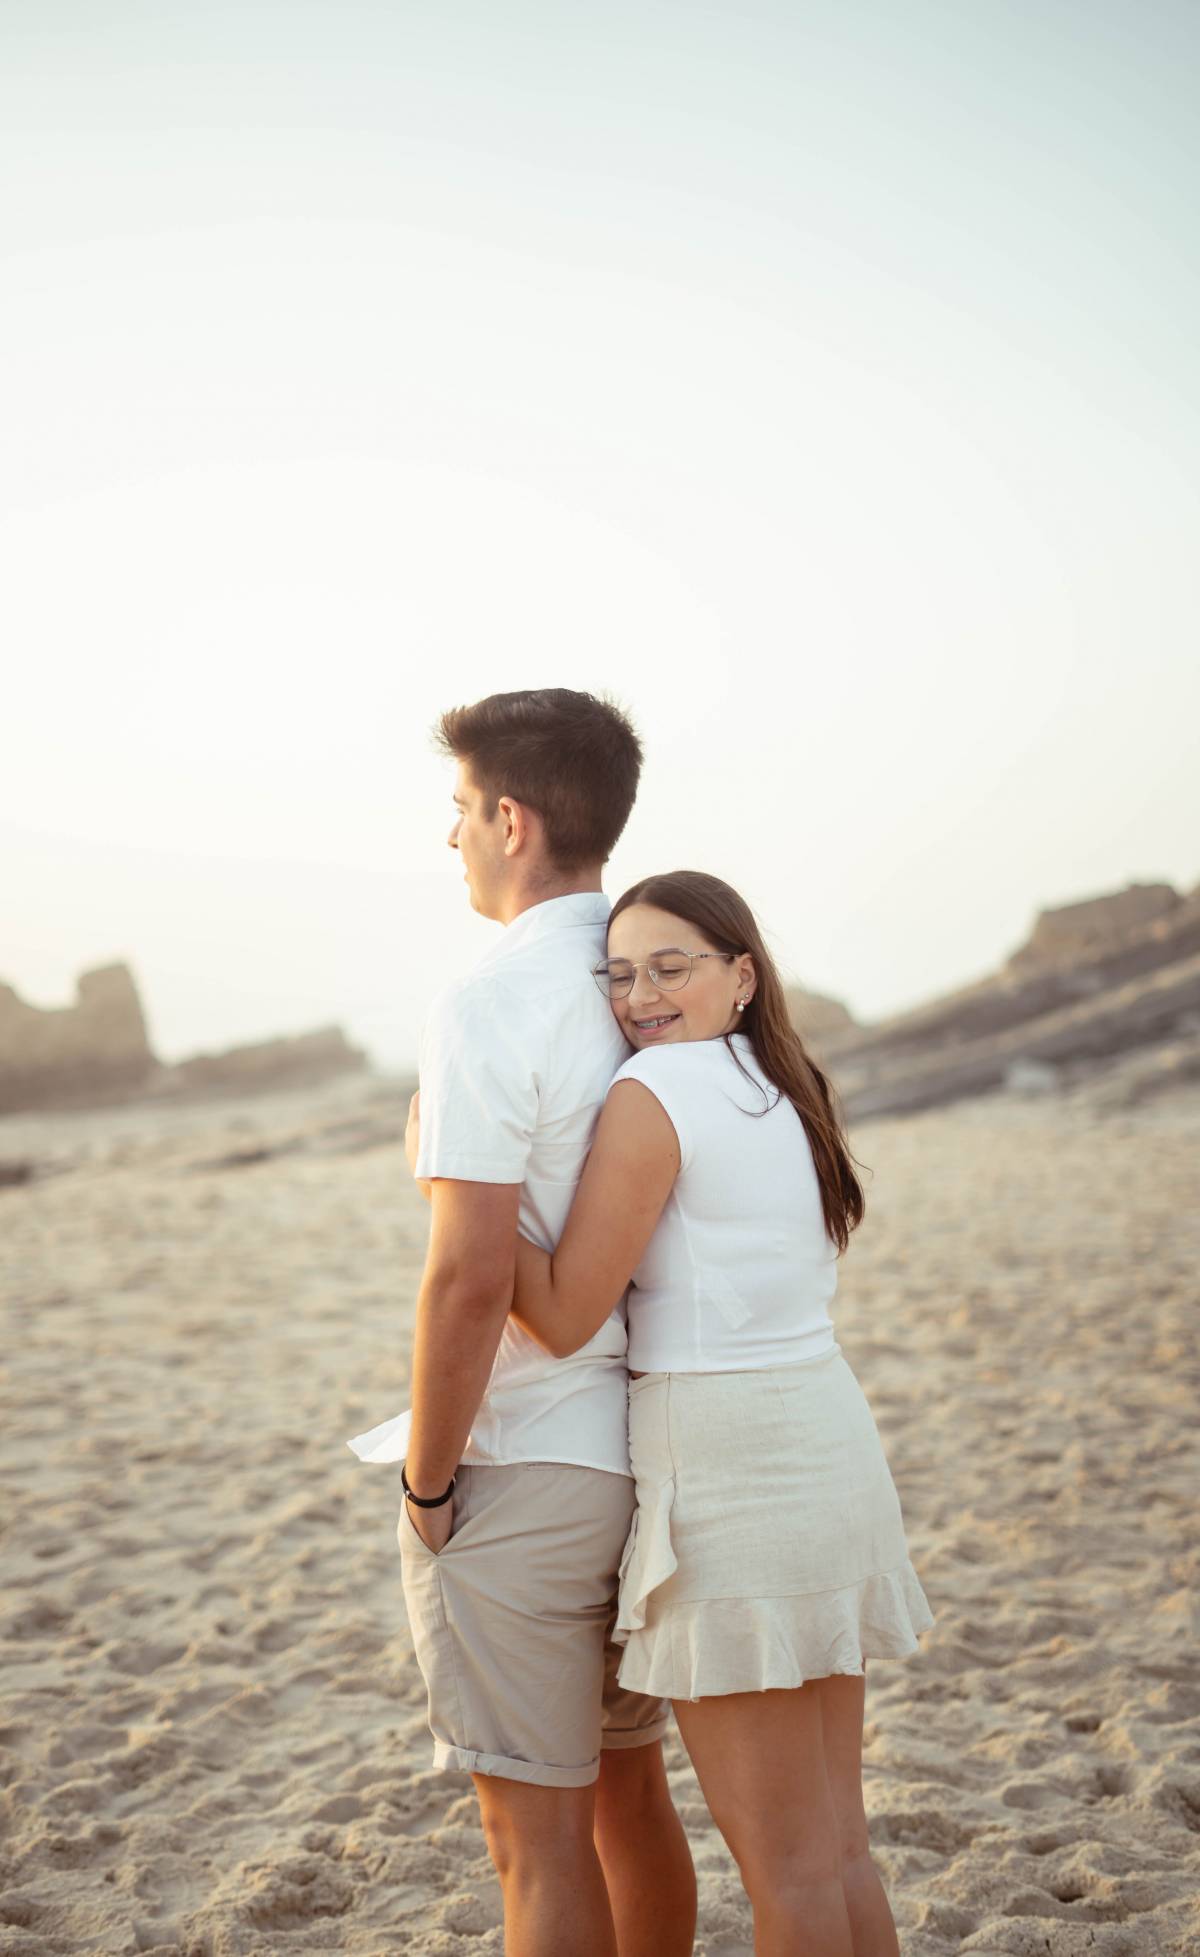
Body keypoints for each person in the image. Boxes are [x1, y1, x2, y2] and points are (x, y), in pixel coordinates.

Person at [498, 869, 935, 1957]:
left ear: (742, 974)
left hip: (733, 1472)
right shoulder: (785, 1087)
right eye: (621, 974)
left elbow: (557, 1312)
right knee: (837, 1848)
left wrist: (461, 1190)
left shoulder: (658, 1096)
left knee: (786, 1867)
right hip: (827, 1445)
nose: (641, 995)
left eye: (671, 966)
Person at [348, 690, 696, 1957]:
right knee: (631, 1798)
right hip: (645, 1449)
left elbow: (466, 1279)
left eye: (457, 812)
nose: (450, 841)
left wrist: (429, 1483)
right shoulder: (653, 978)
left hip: (524, 1467)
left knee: (534, 1848)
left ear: (511, 817)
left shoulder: (490, 1000)